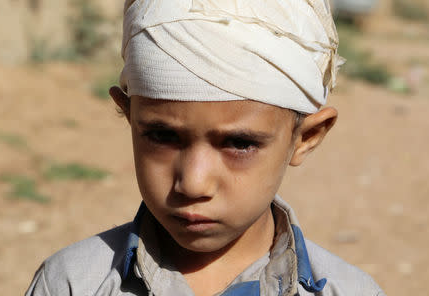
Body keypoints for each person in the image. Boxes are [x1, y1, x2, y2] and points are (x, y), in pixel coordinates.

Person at [26, 0, 385, 295]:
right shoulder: (72, 283)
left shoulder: (348, 290)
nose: (193, 184)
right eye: (163, 136)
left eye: (239, 143)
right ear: (128, 115)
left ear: (306, 138)